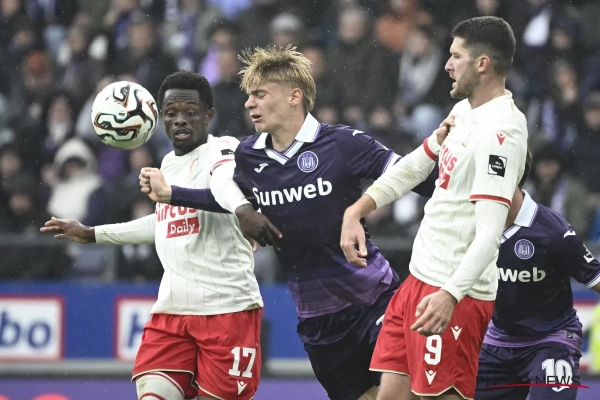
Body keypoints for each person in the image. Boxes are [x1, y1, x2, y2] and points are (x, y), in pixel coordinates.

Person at [140, 45, 447, 400]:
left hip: (374, 301)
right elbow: (228, 201)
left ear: (294, 97)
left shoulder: (342, 143)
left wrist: (450, 169)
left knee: (401, 393)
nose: (249, 104)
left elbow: (414, 177)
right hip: (318, 323)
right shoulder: (248, 155)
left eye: (259, 94)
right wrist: (172, 194)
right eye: (248, 96)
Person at [40, 71, 263, 400]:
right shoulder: (168, 164)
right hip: (172, 311)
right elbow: (163, 223)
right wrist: (92, 234)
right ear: (160, 119)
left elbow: (223, 188)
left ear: (209, 116)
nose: (180, 120)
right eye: (171, 113)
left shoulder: (225, 150)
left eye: (191, 112)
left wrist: (231, 206)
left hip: (227, 310)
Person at [341, 16, 527, 400]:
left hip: (455, 292)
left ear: (482, 64)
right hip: (418, 280)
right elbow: (416, 165)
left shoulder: (500, 132)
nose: (447, 65)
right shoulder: (464, 112)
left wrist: (451, 295)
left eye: (456, 56)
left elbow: (490, 233)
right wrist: (357, 209)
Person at [475, 150, 600, 399]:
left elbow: (595, 277)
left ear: (512, 179)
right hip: (498, 341)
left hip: (552, 338)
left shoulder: (553, 231)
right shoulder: (472, 223)